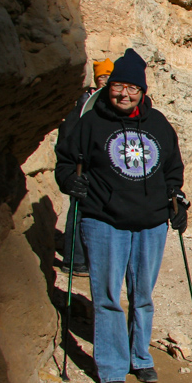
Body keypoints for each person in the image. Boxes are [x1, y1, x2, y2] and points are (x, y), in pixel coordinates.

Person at [56, 48, 188, 383]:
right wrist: (70, 182)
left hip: (152, 223)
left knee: (142, 296)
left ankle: (141, 358)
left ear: (142, 91)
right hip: (103, 220)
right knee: (107, 296)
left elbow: (173, 169)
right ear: (107, 86)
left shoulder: (158, 123)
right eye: (118, 87)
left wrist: (178, 201)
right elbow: (65, 162)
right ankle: (112, 366)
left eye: (132, 88)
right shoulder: (90, 122)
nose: (124, 94)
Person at [58, 58, 114, 277]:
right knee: (78, 212)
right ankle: (75, 261)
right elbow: (68, 134)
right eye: (102, 76)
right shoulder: (84, 102)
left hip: (99, 168)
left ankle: (90, 260)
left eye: (110, 76)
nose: (106, 80)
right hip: (83, 167)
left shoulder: (104, 101)